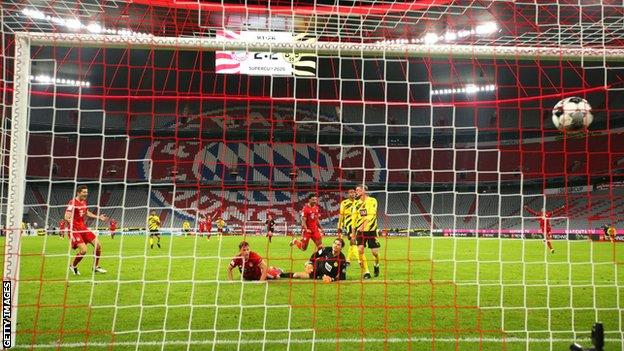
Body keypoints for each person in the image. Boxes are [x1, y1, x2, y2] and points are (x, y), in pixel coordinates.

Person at [66, 185, 108, 275]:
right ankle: (73, 266)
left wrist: (98, 217)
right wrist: (68, 219)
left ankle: (95, 267)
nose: (86, 194)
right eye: (84, 192)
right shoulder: (72, 202)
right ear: (78, 192)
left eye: (86, 192)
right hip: (74, 229)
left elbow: (87, 212)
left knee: (98, 245)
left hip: (83, 228)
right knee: (84, 250)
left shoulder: (84, 202)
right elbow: (67, 215)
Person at [281, 238, 348, 283]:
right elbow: (315, 255)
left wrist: (332, 279)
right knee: (296, 275)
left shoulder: (342, 259)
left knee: (297, 275)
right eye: (335, 243)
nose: (335, 245)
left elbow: (343, 276)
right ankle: (280, 274)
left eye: (338, 245)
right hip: (316, 269)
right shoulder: (327, 249)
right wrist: (310, 263)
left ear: (341, 248)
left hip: (324, 276)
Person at [337, 188, 370, 279]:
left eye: (354, 192)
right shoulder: (344, 203)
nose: (352, 194)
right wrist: (339, 228)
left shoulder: (361, 203)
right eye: (350, 192)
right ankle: (366, 270)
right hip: (349, 227)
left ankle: (348, 260)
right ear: (348, 194)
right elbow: (341, 215)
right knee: (356, 246)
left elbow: (364, 216)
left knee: (353, 245)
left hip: (360, 227)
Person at [353, 184, 380, 278]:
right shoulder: (356, 203)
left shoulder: (373, 200)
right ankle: (366, 272)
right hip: (360, 231)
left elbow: (372, 214)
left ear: (364, 191)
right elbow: (354, 218)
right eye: (356, 190)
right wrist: (353, 232)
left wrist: (363, 225)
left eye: (358, 190)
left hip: (372, 230)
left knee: (375, 253)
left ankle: (376, 265)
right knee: (360, 250)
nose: (356, 192)